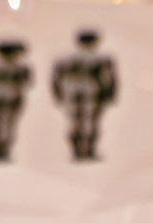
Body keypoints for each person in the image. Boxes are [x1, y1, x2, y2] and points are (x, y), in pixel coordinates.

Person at [50, 30, 117, 161]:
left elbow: (56, 79)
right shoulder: (101, 58)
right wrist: (110, 94)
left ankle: (76, 151)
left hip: (70, 91)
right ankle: (89, 151)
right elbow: (108, 79)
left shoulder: (65, 58)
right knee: (91, 122)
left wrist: (58, 94)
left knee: (74, 121)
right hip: (92, 90)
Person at [0, 40, 32, 162]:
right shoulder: (21, 68)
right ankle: (3, 152)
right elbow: (26, 84)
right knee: (7, 125)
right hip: (10, 98)